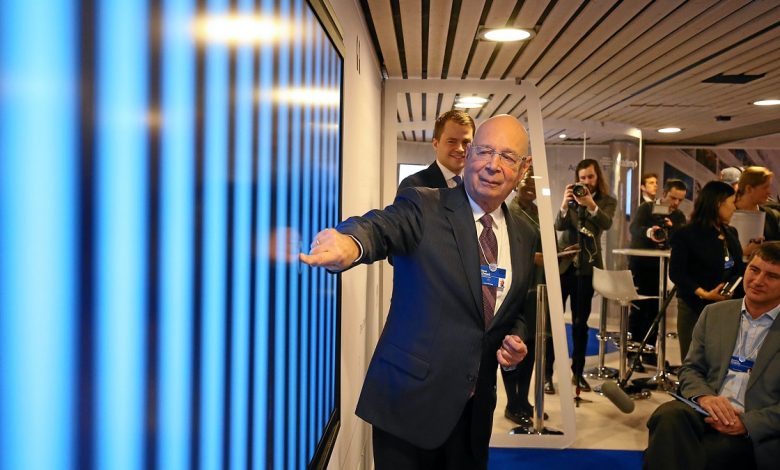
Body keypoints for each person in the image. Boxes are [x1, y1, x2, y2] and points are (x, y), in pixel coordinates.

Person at [300, 115, 536, 469]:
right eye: (485, 151)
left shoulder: (526, 233)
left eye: (506, 156)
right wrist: (351, 242)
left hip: (474, 415)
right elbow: (380, 227)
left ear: (523, 168)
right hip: (409, 407)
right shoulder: (424, 205)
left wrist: (515, 338)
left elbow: (513, 308)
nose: (492, 165)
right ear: (470, 153)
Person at [644, 242, 780, 470]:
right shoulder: (714, 313)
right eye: (754, 270)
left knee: (689, 454)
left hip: (752, 427)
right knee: (667, 415)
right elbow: (691, 369)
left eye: (772, 276)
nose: (758, 281)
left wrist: (746, 424)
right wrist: (705, 397)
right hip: (705, 410)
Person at [546, 159, 616, 393]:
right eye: (582, 177)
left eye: (590, 177)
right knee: (553, 322)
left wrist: (591, 204)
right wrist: (565, 205)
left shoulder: (606, 201)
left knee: (580, 324)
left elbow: (605, 224)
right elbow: (559, 225)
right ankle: (547, 374)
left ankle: (578, 373)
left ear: (597, 177)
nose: (586, 182)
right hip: (563, 266)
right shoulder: (571, 198)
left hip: (586, 268)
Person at [670, 181, 745, 361]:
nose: (734, 208)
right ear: (718, 203)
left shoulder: (731, 233)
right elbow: (677, 273)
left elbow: (737, 267)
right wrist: (704, 294)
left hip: (725, 307)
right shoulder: (686, 234)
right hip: (694, 307)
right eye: (732, 202)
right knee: (694, 361)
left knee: (719, 361)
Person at [628, 179, 688, 371]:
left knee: (656, 311)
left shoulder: (678, 216)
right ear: (664, 194)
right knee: (639, 310)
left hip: (662, 267)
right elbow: (634, 229)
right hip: (641, 264)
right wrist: (649, 232)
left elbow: (682, 239)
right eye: (673, 198)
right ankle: (633, 354)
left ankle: (649, 352)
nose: (676, 203)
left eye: (680, 200)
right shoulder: (646, 208)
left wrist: (673, 228)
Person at [502, 168, 546, 427]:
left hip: (537, 289)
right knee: (512, 344)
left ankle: (523, 400)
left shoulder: (539, 213)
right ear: (517, 185)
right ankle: (511, 403)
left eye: (534, 185)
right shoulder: (510, 212)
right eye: (527, 184)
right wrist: (535, 258)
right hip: (518, 288)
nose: (530, 189)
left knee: (530, 347)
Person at [398, 109, 475, 191]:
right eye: (451, 141)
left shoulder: (476, 186)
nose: (460, 149)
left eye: (466, 142)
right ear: (435, 144)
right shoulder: (413, 187)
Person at [735, 167, 780, 257]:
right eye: (765, 187)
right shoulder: (725, 214)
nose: (769, 192)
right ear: (749, 189)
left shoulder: (770, 216)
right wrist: (743, 253)